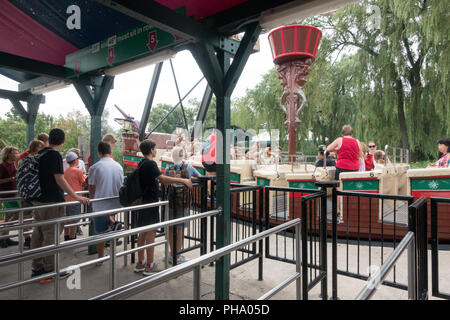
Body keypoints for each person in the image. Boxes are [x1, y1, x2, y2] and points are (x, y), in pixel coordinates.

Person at [30, 128, 89, 280]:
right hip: (52, 201)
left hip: (38, 199)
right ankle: (50, 270)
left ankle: (37, 267)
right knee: (51, 234)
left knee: (38, 232)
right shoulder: (54, 155)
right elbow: (59, 178)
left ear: (49, 139)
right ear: (63, 141)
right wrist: (76, 196)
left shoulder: (40, 153)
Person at [133, 140, 192, 276]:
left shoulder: (141, 164)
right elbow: (163, 179)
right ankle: (150, 265)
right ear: (151, 150)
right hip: (151, 203)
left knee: (142, 233)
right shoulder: (151, 164)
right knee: (151, 234)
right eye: (154, 148)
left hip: (143, 202)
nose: (155, 151)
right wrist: (183, 180)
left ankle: (140, 262)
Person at [88, 141, 123, 263]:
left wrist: (91, 199)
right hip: (115, 203)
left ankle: (100, 257)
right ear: (110, 152)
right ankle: (114, 225)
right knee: (108, 225)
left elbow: (91, 188)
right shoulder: (119, 166)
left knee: (100, 232)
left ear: (99, 152)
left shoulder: (94, 167)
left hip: (100, 203)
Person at [164, 147, 201, 265]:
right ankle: (178, 255)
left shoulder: (167, 169)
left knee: (171, 228)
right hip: (183, 204)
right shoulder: (189, 168)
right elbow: (200, 177)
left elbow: (165, 184)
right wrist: (191, 179)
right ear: (183, 156)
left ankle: (171, 253)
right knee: (180, 229)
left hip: (171, 203)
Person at [18, 140, 44, 249]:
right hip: (37, 193)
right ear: (37, 147)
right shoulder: (39, 160)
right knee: (38, 217)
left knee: (26, 216)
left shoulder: (23, 160)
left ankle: (28, 240)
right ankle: (34, 240)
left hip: (24, 192)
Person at [0, 147, 20, 248]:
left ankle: (5, 238)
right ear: (8, 154)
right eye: (15, 153)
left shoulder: (13, 164)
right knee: (19, 212)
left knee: (7, 217)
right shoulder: (2, 166)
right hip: (6, 194)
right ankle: (2, 236)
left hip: (13, 193)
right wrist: (11, 179)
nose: (17, 155)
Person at [63, 152, 86, 241]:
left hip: (66, 199)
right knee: (74, 220)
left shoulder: (65, 172)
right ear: (76, 160)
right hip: (75, 198)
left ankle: (66, 237)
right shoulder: (78, 171)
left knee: (67, 219)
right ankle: (72, 238)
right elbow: (83, 182)